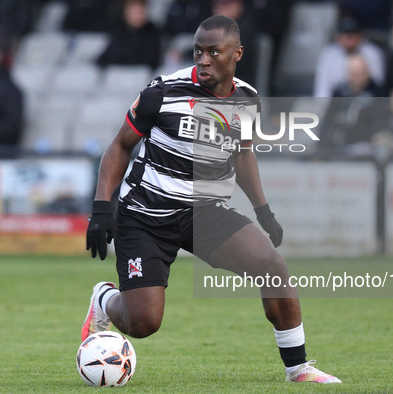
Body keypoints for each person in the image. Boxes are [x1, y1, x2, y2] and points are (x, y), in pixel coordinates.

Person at [83, 15, 341, 384]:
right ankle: (105, 299)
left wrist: (263, 211)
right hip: (146, 215)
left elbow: (243, 155)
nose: (203, 60)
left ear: (236, 54)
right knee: (144, 323)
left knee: (273, 267)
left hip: (204, 212)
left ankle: (298, 368)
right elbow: (120, 146)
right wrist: (101, 209)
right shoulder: (163, 92)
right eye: (198, 52)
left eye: (213, 52)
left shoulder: (248, 100)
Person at [314, 17, 384, 97]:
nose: (350, 41)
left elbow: (378, 83)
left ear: (360, 36)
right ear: (339, 37)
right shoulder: (328, 54)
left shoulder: (372, 52)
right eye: (346, 36)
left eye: (353, 36)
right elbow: (322, 89)